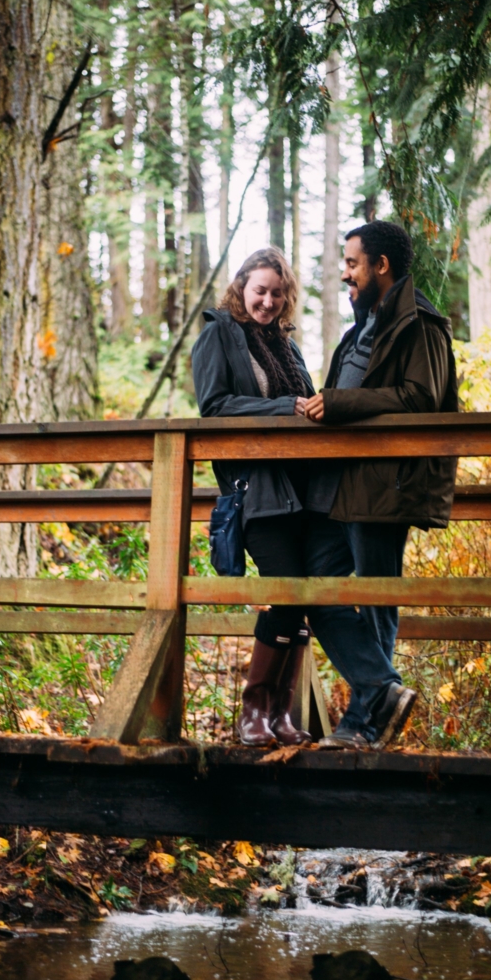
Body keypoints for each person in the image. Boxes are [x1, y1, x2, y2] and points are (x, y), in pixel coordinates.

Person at [302, 220, 459, 749]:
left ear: (380, 266)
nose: (344, 273)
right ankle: (380, 687)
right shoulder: (361, 327)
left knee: (375, 601)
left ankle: (362, 726)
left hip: (385, 485)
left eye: (351, 262)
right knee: (312, 584)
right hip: (341, 485)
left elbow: (421, 398)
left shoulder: (422, 325)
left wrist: (341, 404)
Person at [192, 247, 315, 747]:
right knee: (285, 590)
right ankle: (253, 710)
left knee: (302, 598)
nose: (267, 301)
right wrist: (287, 407)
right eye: (259, 290)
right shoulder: (218, 334)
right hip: (256, 489)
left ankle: (280, 713)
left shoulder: (287, 345)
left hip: (304, 489)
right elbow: (214, 406)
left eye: (276, 293)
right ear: (242, 287)